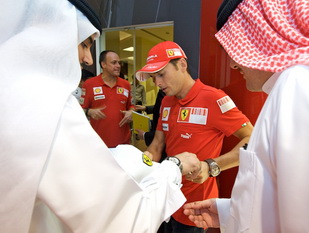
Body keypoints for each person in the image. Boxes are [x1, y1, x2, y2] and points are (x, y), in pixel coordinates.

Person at [0, 0, 203, 232]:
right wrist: (173, 167)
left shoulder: (12, 92)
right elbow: (120, 219)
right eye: (85, 45)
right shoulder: (47, 105)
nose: (87, 59)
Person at [183, 0, 309, 232]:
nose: (232, 63)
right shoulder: (293, 86)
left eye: (241, 41)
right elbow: (284, 195)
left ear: (269, 32)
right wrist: (229, 212)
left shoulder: (305, 85)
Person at [136, 41, 253, 233]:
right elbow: (157, 145)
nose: (157, 83)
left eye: (161, 74)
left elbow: (253, 139)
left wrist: (211, 166)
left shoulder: (214, 98)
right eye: (153, 77)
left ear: (182, 65)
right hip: (164, 200)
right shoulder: (166, 102)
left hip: (195, 208)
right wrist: (138, 167)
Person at [80, 50, 134, 148]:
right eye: (114, 63)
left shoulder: (126, 85)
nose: (118, 66)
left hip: (123, 144)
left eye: (119, 62)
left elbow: (132, 106)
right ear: (103, 64)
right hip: (98, 145)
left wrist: (131, 112)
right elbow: (79, 111)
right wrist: (89, 111)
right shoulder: (89, 84)